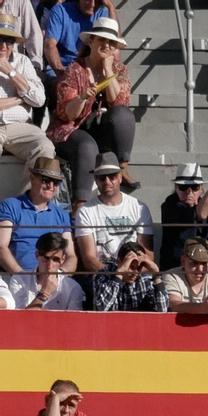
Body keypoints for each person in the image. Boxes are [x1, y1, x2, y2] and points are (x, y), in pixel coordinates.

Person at [48, 16, 135, 203]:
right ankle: (80, 205)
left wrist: (107, 69)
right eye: (102, 40)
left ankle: (123, 167)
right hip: (70, 130)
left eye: (111, 42)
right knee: (87, 146)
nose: (107, 45)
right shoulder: (75, 69)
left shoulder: (120, 70)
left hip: (101, 129)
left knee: (124, 114)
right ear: (91, 41)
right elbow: (67, 114)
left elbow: (120, 104)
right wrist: (82, 97)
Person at [72, 151, 150, 281]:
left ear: (120, 177)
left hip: (135, 273)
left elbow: (148, 255)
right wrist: (118, 275)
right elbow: (89, 260)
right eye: (102, 177)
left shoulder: (139, 208)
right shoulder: (85, 211)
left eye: (112, 176)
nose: (107, 181)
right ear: (95, 180)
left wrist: (130, 273)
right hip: (104, 276)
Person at [0, 156, 73, 280]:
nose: (51, 185)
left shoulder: (62, 214)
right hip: (17, 278)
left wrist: (58, 276)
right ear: (32, 178)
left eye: (56, 182)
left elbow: (71, 256)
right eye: (46, 180)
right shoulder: (10, 206)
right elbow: (1, 246)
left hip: (53, 279)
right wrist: (23, 277)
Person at [156, 161, 208, 272]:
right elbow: (201, 214)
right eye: (183, 187)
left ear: (201, 188)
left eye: (194, 187)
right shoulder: (170, 207)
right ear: (176, 187)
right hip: (179, 275)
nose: (189, 192)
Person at [0, 16, 51, 168]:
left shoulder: (23, 62)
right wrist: (20, 98)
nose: (3, 46)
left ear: (13, 44)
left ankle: (30, 192)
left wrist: (11, 72)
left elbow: (39, 99)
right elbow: (30, 98)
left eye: (8, 40)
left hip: (21, 127)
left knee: (45, 147)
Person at [163, 237, 208, 315]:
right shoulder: (172, 276)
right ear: (183, 261)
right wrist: (202, 307)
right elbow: (173, 305)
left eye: (204, 263)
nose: (200, 269)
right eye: (194, 263)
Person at [10, 231, 84, 309]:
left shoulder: (72, 287)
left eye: (55, 259)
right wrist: (44, 294)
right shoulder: (19, 280)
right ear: (37, 256)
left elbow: (72, 320)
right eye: (46, 259)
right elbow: (20, 319)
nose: (49, 265)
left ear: (63, 259)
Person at [91, 239, 167, 312]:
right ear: (118, 261)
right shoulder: (103, 274)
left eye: (139, 268)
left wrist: (156, 274)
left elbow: (162, 310)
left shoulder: (145, 278)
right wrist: (119, 274)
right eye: (131, 267)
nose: (135, 273)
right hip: (110, 323)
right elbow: (102, 308)